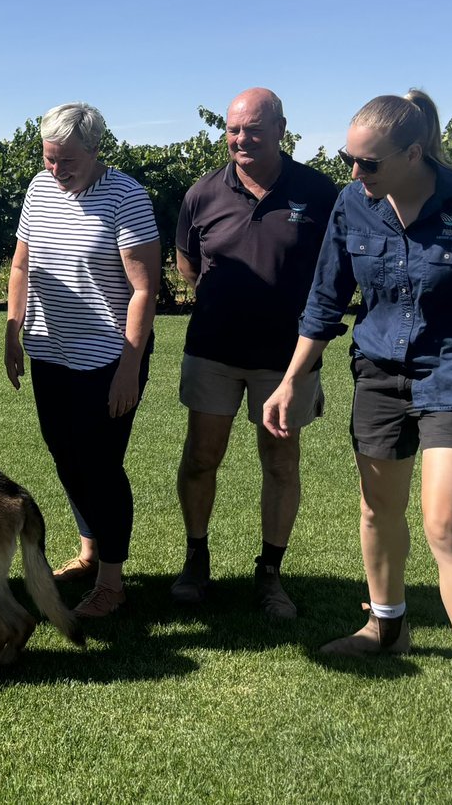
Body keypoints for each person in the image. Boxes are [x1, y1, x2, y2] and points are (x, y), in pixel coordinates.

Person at [263, 90, 452, 764]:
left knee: (444, 524)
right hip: (379, 370)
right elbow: (326, 296)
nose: (354, 175)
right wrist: (293, 378)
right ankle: (387, 627)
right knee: (378, 511)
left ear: (414, 153)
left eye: (368, 163)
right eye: (349, 160)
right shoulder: (355, 205)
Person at [172, 88, 339, 618]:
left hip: (287, 360)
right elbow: (187, 265)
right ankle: (196, 558)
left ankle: (270, 574)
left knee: (281, 464)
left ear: (282, 129)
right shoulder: (202, 193)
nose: (241, 140)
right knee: (201, 458)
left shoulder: (318, 192)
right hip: (213, 349)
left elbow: (335, 276)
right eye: (233, 130)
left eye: (253, 130)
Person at [5, 103, 161, 618]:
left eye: (67, 160)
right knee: (64, 454)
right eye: (49, 159)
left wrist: (128, 368)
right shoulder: (38, 188)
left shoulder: (127, 197)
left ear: (96, 150)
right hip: (51, 351)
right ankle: (90, 551)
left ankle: (113, 582)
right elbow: (23, 262)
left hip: (108, 359)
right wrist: (13, 330)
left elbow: (144, 289)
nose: (57, 170)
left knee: (100, 466)